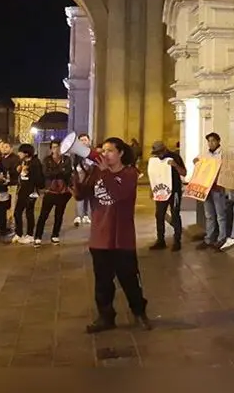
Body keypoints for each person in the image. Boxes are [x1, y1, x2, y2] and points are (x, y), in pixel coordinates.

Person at [73, 137, 151, 333]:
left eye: (109, 151)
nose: (104, 154)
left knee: (130, 280)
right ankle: (105, 316)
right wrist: (78, 174)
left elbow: (118, 194)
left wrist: (105, 173)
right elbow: (81, 195)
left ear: (121, 153)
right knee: (102, 282)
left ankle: (139, 313)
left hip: (122, 238)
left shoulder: (130, 173)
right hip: (100, 236)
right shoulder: (97, 172)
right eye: (103, 150)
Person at [148, 140, 186, 252]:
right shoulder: (155, 160)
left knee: (175, 215)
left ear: (165, 149)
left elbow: (184, 173)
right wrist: (152, 189)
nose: (159, 155)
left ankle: (177, 241)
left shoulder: (174, 157)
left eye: (160, 152)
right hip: (161, 191)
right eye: (156, 153)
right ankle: (160, 240)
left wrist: (175, 165)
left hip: (174, 191)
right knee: (159, 215)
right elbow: (154, 176)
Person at [34, 139, 73, 246]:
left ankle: (55, 235)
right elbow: (47, 173)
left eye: (59, 147)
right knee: (43, 215)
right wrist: (61, 171)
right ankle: (38, 236)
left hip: (63, 192)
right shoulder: (47, 160)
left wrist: (57, 172)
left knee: (59, 215)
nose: (57, 149)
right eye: (54, 147)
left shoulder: (67, 159)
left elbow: (68, 172)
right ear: (51, 149)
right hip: (50, 191)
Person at [197, 132, 228, 251]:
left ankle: (222, 238)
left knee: (220, 215)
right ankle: (209, 238)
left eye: (213, 141)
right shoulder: (205, 154)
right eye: (209, 141)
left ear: (218, 141)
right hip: (206, 188)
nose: (211, 143)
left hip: (217, 188)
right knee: (209, 215)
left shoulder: (223, 154)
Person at [12, 143, 45, 244]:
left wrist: (28, 173)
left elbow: (39, 180)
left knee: (29, 213)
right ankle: (19, 233)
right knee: (17, 212)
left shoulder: (35, 163)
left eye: (20, 152)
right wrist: (19, 171)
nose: (19, 154)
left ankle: (30, 235)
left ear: (26, 153)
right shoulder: (22, 162)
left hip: (31, 192)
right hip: (22, 191)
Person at [72, 133, 94, 226]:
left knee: (89, 197)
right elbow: (73, 166)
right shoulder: (76, 154)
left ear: (89, 141)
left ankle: (86, 215)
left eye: (85, 140)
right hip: (79, 178)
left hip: (90, 178)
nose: (83, 142)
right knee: (79, 197)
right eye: (81, 140)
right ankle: (78, 216)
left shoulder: (92, 153)